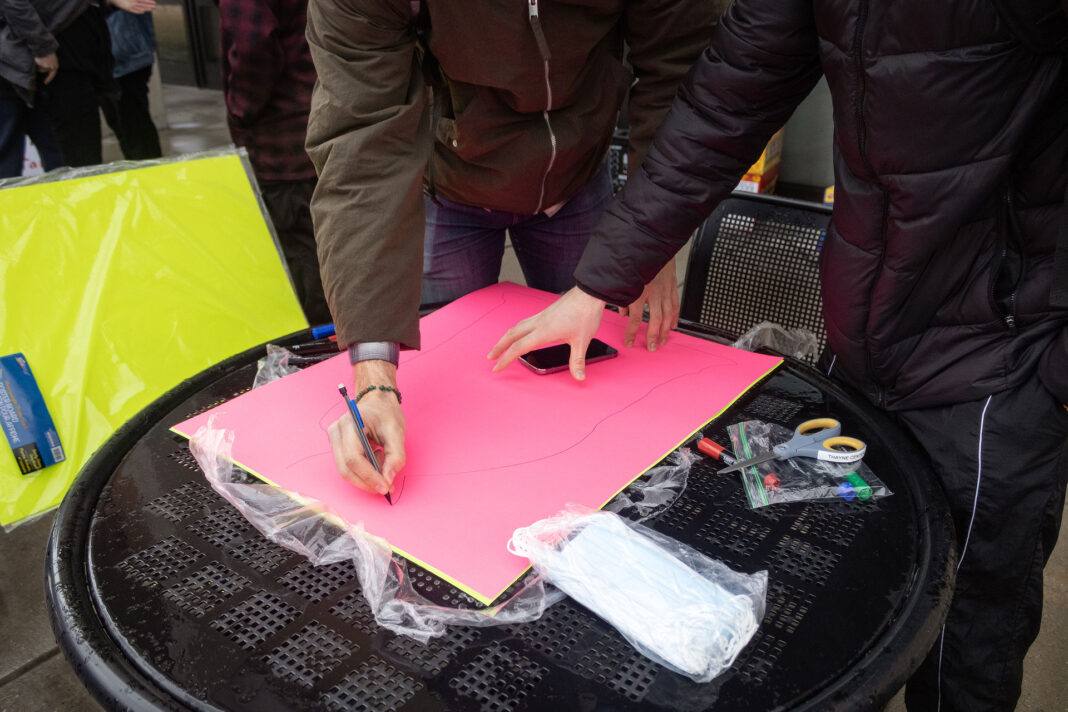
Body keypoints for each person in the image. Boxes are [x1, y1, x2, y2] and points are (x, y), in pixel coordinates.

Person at [489, 1, 1068, 710]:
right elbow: (724, 101)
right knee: (865, 581)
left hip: (1007, 352)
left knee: (966, 637)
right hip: (872, 328)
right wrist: (599, 281)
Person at [305, 0, 726, 497]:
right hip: (454, 180)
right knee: (467, 386)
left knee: (597, 380)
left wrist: (649, 236)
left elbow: (679, 73)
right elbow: (362, 151)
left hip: (579, 175)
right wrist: (374, 376)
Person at [219, 0, 331, 327]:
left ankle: (329, 351)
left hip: (282, 139)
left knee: (306, 255)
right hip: (328, 118)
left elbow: (252, 50)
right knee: (337, 242)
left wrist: (240, 113)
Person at [0, 0, 155, 170]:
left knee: (72, 151)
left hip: (82, 51)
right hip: (51, 58)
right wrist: (42, 48)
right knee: (74, 153)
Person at [101, 8, 162, 160]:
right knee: (120, 124)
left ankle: (151, 177)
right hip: (102, 57)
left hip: (125, 54)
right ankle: (142, 175)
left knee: (135, 127)